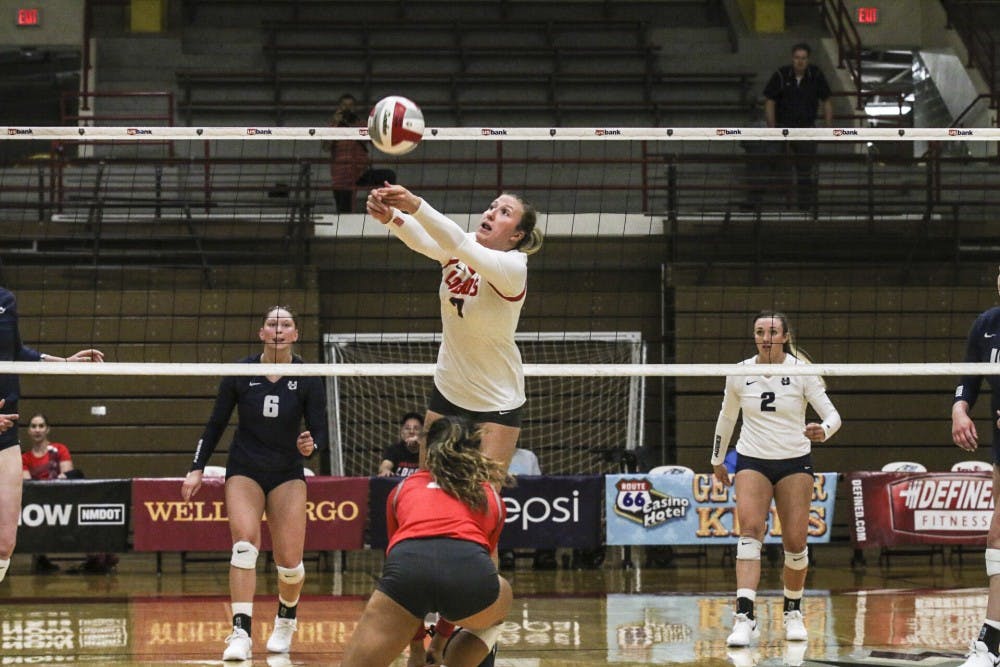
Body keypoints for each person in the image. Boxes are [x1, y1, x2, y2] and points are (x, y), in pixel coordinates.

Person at [180, 306, 327, 661]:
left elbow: (320, 429)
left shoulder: (309, 376)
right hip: (245, 467)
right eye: (272, 324)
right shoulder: (240, 373)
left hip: (287, 472)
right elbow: (215, 424)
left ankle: (286, 620)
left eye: (286, 325)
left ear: (295, 334)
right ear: (262, 333)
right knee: (244, 546)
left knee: (290, 564)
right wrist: (196, 467)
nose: (279, 330)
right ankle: (241, 632)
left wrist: (313, 445)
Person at [366, 184, 542, 473]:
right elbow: (425, 240)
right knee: (428, 487)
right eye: (492, 206)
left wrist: (414, 204)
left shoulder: (513, 268)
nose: (492, 212)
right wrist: (390, 217)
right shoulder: (463, 244)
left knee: (484, 496)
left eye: (504, 212)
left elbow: (456, 242)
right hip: (449, 388)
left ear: (516, 235)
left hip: (496, 398)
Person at [710, 311, 841, 647]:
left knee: (796, 543)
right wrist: (717, 458)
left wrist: (822, 431)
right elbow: (727, 417)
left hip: (794, 462)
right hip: (752, 459)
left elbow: (832, 416)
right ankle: (744, 617)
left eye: (772, 332)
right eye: (759, 331)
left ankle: (792, 612)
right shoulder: (740, 372)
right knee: (750, 531)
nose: (765, 337)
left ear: (784, 336)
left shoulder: (801, 371)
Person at [341, 415, 512, 667]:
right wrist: (439, 641)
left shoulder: (402, 489)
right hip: (468, 576)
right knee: (501, 592)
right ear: (474, 454)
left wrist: (416, 651)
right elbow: (470, 571)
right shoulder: (489, 496)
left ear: (429, 452)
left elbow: (397, 558)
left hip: (407, 573)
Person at [0, 286, 103, 586]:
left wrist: (65, 362)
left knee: (5, 543)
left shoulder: (6, 300)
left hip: (6, 436)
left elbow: (16, 353)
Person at [951, 266, 1000, 667]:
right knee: (998, 534)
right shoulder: (986, 325)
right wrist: (959, 409)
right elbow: (970, 377)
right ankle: (992, 642)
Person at [21, 413, 119, 574]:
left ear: (47, 429)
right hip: (39, 504)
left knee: (81, 514)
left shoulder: (60, 449)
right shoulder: (25, 458)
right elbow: (29, 485)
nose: (37, 430)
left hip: (62, 500)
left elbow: (67, 478)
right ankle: (40, 558)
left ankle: (97, 556)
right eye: (33, 426)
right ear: (29, 431)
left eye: (41, 426)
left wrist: (57, 480)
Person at [762, 42, 833, 212]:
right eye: (797, 58)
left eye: (803, 58)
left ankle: (804, 208)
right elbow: (769, 101)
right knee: (776, 167)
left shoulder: (816, 75)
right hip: (783, 128)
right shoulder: (780, 74)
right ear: (792, 58)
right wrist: (772, 128)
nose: (800, 61)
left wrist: (829, 127)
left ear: (808, 60)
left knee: (805, 171)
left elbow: (827, 100)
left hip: (806, 130)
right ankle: (774, 207)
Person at [328, 93, 395, 214]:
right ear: (339, 108)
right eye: (344, 105)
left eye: (351, 105)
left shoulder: (363, 124)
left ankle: (386, 210)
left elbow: (378, 142)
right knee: (344, 214)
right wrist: (335, 125)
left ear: (355, 108)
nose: (347, 108)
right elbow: (325, 147)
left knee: (389, 175)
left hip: (361, 173)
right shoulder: (333, 126)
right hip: (341, 177)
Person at [500, 447, 556, 570]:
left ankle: (545, 554)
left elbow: (538, 483)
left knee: (551, 514)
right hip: (505, 506)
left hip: (529, 506)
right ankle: (505, 553)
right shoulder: (495, 455)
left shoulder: (528, 456)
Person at [377, 412, 423, 478]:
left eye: (416, 429)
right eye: (407, 428)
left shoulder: (428, 451)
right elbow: (385, 466)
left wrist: (422, 446)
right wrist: (385, 470)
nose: (411, 432)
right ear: (402, 433)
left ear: (422, 433)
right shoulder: (394, 449)